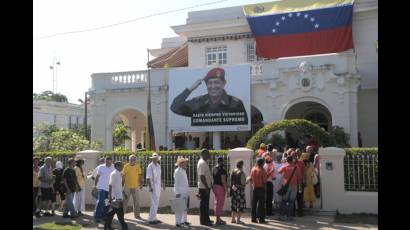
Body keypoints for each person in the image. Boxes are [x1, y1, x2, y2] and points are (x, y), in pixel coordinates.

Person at [170, 67, 248, 125]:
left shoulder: (235, 103)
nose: (213, 86)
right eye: (209, 83)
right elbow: (175, 107)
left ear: (224, 83)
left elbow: (243, 124)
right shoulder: (199, 102)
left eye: (216, 82)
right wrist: (190, 89)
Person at [105, 161, 129, 230]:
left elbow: (120, 186)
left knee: (111, 213)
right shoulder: (114, 174)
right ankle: (124, 227)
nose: (122, 167)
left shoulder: (119, 174)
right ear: (117, 166)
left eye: (122, 165)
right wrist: (110, 197)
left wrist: (124, 193)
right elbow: (110, 185)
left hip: (119, 197)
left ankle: (107, 227)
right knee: (120, 215)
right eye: (121, 166)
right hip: (115, 198)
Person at [278, 155, 302, 221]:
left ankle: (282, 216)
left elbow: (278, 171)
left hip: (286, 186)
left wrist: (284, 164)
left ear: (287, 160)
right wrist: (300, 188)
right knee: (291, 202)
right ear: (292, 160)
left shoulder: (285, 166)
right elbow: (299, 178)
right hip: (294, 186)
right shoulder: (296, 167)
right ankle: (289, 217)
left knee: (284, 201)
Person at [94, 156, 115, 222]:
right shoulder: (101, 167)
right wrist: (95, 186)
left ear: (111, 161)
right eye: (107, 162)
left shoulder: (113, 167)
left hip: (109, 189)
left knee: (107, 203)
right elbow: (97, 177)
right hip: (101, 187)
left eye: (110, 162)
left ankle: (104, 216)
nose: (109, 164)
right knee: (100, 202)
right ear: (105, 161)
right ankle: (97, 216)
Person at [146, 152, 165, 224]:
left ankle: (154, 218)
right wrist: (150, 187)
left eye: (156, 158)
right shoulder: (150, 166)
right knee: (153, 203)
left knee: (156, 202)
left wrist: (162, 184)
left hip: (158, 186)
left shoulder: (158, 165)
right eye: (154, 158)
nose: (155, 159)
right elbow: (148, 178)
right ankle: (151, 219)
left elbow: (160, 176)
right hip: (152, 187)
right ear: (152, 159)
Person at [122, 154, 143, 219]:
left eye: (134, 159)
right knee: (125, 201)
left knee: (136, 201)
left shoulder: (137, 166)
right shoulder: (126, 166)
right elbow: (123, 176)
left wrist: (141, 184)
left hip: (135, 186)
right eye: (131, 159)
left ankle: (137, 215)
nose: (133, 160)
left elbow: (140, 175)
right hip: (127, 186)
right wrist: (122, 186)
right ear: (129, 160)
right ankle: (122, 214)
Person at [197, 149, 213, 226]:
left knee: (206, 204)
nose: (209, 155)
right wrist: (207, 187)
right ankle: (203, 221)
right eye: (208, 154)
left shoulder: (204, 162)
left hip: (205, 187)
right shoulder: (202, 163)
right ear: (203, 154)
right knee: (203, 204)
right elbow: (202, 176)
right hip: (204, 188)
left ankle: (207, 219)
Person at [250, 158, 268, 224]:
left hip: (255, 188)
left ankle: (253, 218)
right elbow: (265, 183)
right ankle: (261, 219)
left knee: (254, 204)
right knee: (261, 205)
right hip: (261, 188)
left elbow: (251, 179)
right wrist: (265, 192)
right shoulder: (263, 171)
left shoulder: (253, 169)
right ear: (262, 163)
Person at [173, 157, 190, 227]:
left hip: (184, 191)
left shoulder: (183, 170)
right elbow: (176, 183)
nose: (185, 163)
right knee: (179, 208)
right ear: (180, 164)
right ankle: (178, 222)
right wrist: (177, 193)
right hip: (180, 192)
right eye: (184, 162)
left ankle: (184, 221)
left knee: (184, 208)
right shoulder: (177, 171)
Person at [230, 160, 247, 224]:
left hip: (234, 190)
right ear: (242, 165)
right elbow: (243, 183)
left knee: (234, 204)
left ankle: (233, 219)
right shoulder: (242, 173)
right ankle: (238, 220)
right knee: (240, 205)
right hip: (240, 191)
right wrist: (247, 181)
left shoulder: (233, 171)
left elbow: (232, 181)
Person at [212, 156, 227, 225]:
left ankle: (218, 218)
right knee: (220, 204)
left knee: (216, 203)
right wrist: (227, 190)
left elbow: (212, 179)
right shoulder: (222, 170)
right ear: (222, 161)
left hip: (215, 187)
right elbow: (223, 181)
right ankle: (218, 220)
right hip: (220, 188)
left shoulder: (214, 168)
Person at [291, 150, 305, 217]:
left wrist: (304, 181)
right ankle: (293, 212)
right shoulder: (290, 163)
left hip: (299, 183)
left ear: (297, 156)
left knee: (299, 198)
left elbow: (304, 173)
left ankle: (300, 212)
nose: (294, 157)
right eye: (293, 156)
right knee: (293, 198)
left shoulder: (301, 163)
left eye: (294, 156)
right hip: (293, 183)